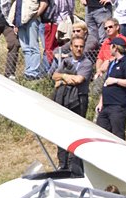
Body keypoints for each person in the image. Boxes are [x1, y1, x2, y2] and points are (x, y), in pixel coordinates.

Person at [52, 34, 93, 173]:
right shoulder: (66, 61)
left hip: (79, 100)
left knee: (76, 132)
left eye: (81, 46)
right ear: (71, 47)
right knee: (62, 131)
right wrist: (65, 76)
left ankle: (73, 164)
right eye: (76, 46)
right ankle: (62, 163)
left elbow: (79, 80)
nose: (79, 49)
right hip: (64, 100)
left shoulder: (86, 63)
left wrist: (62, 80)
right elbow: (54, 76)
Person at [95, 35, 126, 139]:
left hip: (118, 106)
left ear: (115, 48)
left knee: (117, 135)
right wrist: (101, 102)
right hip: (106, 106)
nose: (109, 49)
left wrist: (116, 80)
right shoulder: (112, 63)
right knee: (101, 133)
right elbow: (106, 83)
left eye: (111, 46)